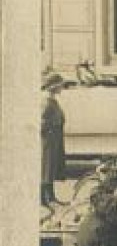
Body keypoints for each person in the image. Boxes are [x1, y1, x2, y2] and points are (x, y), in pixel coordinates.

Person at [41, 73, 66, 207]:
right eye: (60, 85)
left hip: (54, 138)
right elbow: (42, 122)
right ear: (53, 86)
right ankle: (44, 199)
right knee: (46, 167)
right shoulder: (46, 102)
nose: (62, 87)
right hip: (48, 140)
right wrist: (49, 131)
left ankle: (50, 197)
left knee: (50, 167)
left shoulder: (52, 100)